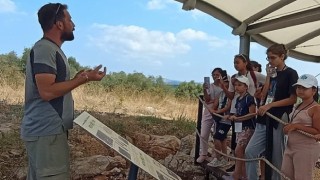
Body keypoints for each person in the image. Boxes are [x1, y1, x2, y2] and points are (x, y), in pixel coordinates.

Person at [21, 3, 106, 179]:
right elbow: (47, 92)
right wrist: (83, 79)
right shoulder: (45, 48)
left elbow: (53, 87)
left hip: (47, 132)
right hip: (46, 132)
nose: (73, 25)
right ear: (59, 24)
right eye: (70, 19)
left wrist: (78, 78)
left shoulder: (51, 49)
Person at [251, 44, 298, 180]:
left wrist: (270, 105)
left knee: (277, 155)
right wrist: (268, 77)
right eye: (268, 58)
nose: (270, 61)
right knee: (250, 151)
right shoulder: (273, 73)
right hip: (265, 115)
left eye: (273, 58)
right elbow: (265, 94)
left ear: (282, 57)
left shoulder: (291, 73)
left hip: (278, 115)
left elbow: (292, 99)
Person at [219, 54, 265, 172]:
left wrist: (260, 94)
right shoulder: (233, 77)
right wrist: (224, 87)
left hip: (249, 112)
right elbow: (231, 95)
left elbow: (269, 82)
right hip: (236, 113)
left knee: (246, 144)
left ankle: (245, 171)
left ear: (245, 63)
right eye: (234, 62)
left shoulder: (254, 75)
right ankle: (239, 169)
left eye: (238, 62)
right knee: (238, 142)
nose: (235, 65)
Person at [281, 74, 320, 180]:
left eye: (304, 88)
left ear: (314, 91)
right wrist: (289, 128)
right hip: (290, 147)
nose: (300, 90)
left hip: (306, 149)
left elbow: (317, 131)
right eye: (298, 87)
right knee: (285, 175)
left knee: (302, 177)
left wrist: (297, 126)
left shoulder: (316, 108)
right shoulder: (297, 106)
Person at [227, 76, 256, 180]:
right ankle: (244, 175)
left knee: (239, 150)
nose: (236, 87)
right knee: (240, 152)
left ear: (246, 87)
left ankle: (237, 174)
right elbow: (238, 113)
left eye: (239, 85)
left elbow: (252, 113)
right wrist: (231, 116)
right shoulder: (238, 99)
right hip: (240, 127)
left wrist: (238, 118)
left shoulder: (249, 98)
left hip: (248, 127)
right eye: (235, 85)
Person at [196, 68, 223, 163]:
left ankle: (216, 155)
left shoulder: (224, 86)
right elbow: (207, 99)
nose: (215, 76)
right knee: (203, 134)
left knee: (217, 136)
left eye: (217, 74)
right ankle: (203, 153)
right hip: (208, 111)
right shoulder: (210, 86)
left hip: (220, 111)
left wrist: (214, 100)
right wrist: (204, 89)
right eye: (214, 75)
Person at [207, 71, 232, 167]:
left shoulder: (230, 94)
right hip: (219, 120)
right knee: (223, 139)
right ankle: (224, 159)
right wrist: (212, 109)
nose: (224, 84)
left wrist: (218, 111)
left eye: (226, 82)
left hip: (226, 120)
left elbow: (228, 106)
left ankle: (218, 158)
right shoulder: (220, 93)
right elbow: (215, 104)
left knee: (217, 137)